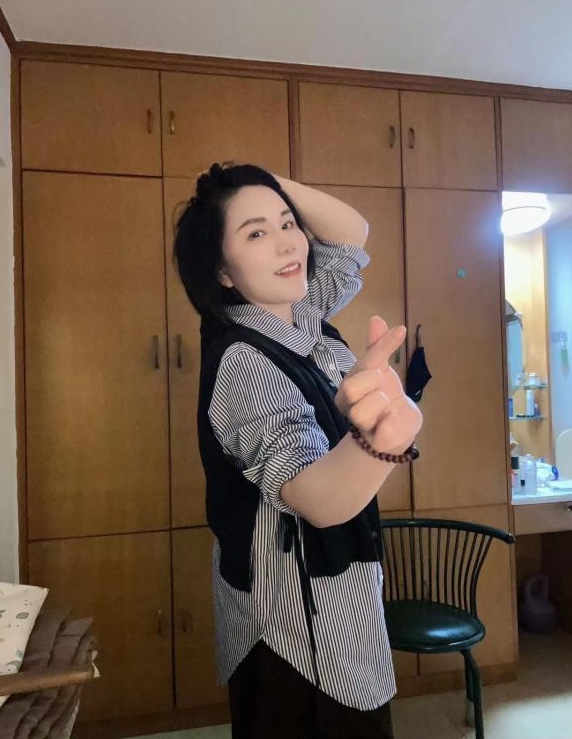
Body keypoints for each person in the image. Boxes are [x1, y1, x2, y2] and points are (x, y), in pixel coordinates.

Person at [174, 162, 423, 739]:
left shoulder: (304, 318)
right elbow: (316, 498)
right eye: (256, 233)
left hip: (340, 598)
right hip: (294, 627)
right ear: (223, 271)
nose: (290, 243)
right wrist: (377, 443)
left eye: (288, 223)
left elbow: (352, 234)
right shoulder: (245, 361)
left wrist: (259, 180)